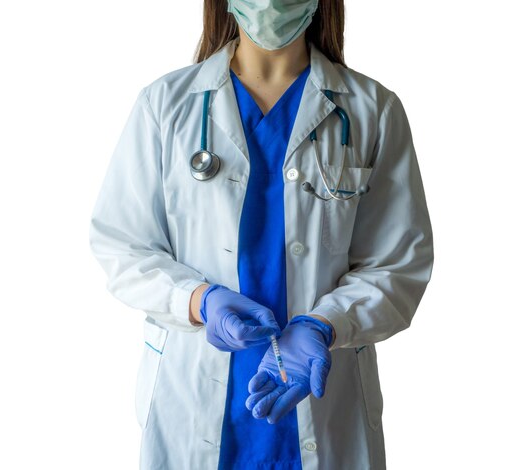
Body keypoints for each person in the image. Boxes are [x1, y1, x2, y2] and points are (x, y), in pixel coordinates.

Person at [89, 0, 434, 468]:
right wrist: (199, 301)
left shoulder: (372, 110)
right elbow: (123, 245)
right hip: (194, 404)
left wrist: (322, 324)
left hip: (321, 399)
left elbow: (398, 265)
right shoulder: (166, 104)